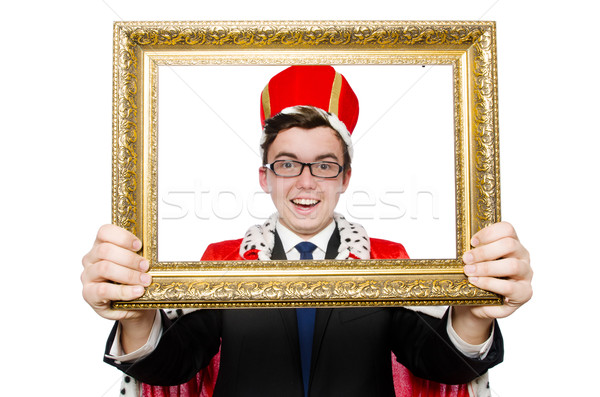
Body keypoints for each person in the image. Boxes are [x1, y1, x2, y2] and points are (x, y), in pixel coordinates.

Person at [82, 65, 533, 397]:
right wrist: (137, 315)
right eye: (287, 163)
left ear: (344, 179)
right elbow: (175, 365)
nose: (305, 180)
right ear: (266, 178)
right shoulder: (222, 259)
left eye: (323, 164)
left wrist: (474, 314)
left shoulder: (387, 259)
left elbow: (434, 362)